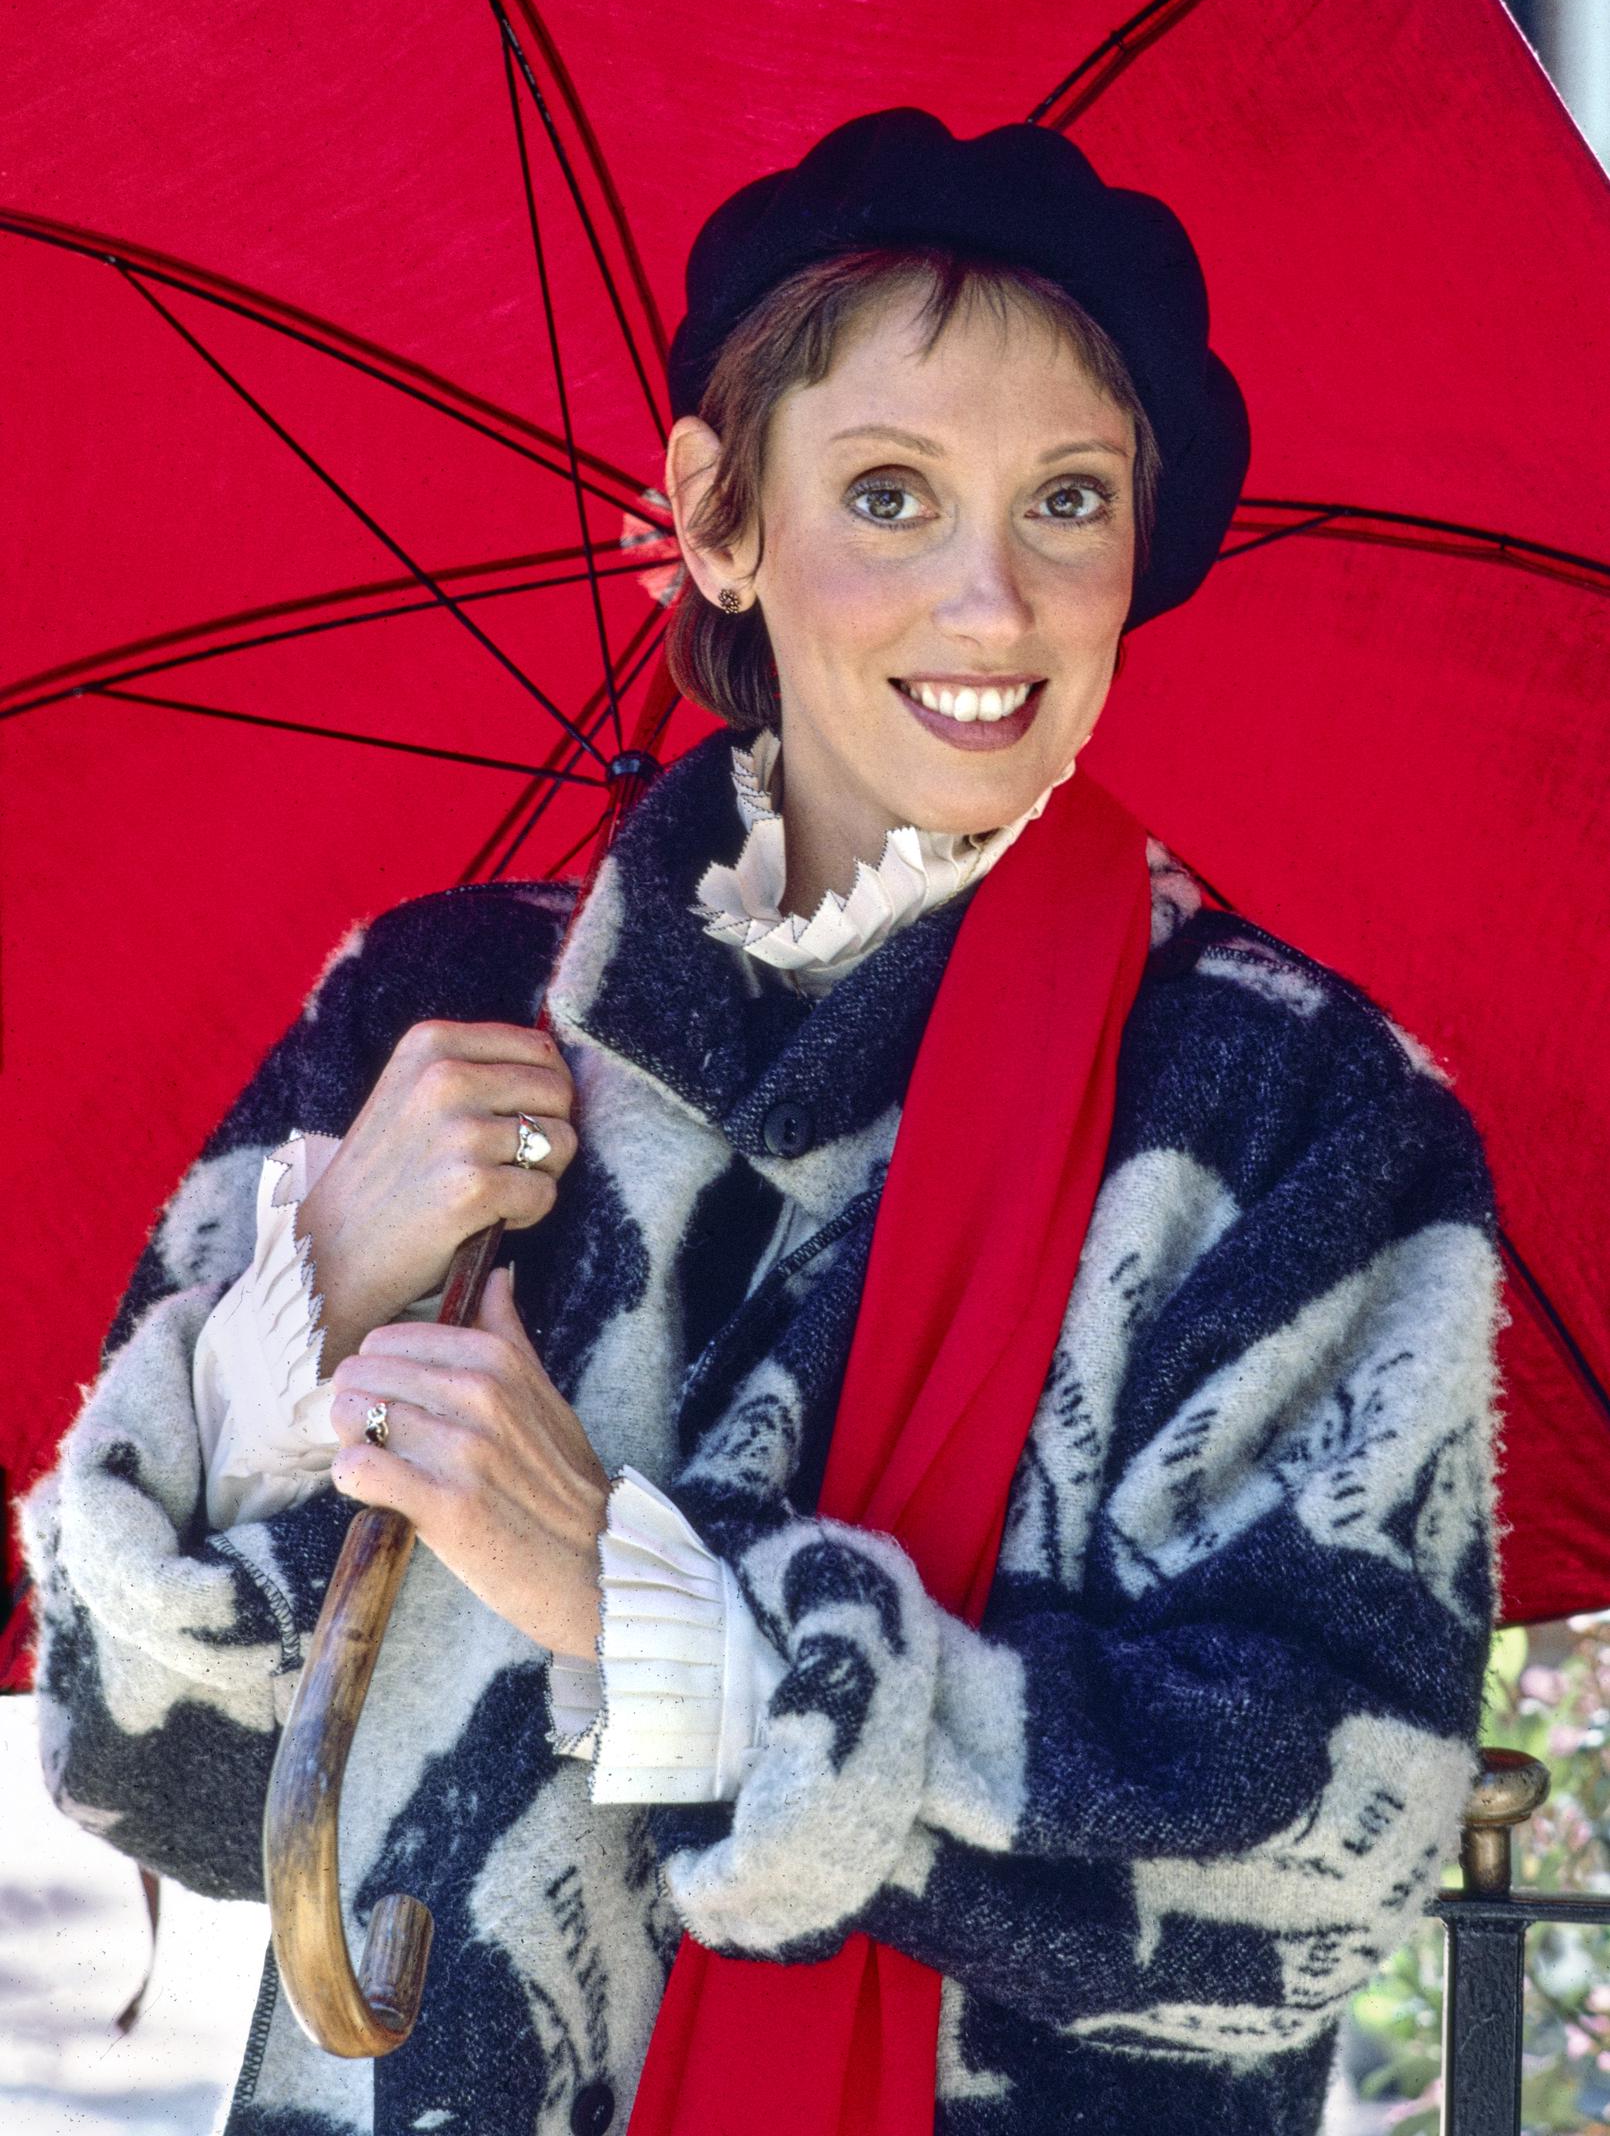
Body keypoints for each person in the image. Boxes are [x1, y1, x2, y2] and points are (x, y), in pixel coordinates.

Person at [21, 109, 1503, 2136]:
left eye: (1067, 502)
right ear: (717, 519)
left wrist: (651, 1606)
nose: (994, 604)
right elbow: (149, 1771)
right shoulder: (434, 1007)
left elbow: (1319, 1866)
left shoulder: (1286, 1107)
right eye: (888, 495)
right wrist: (316, 1296)